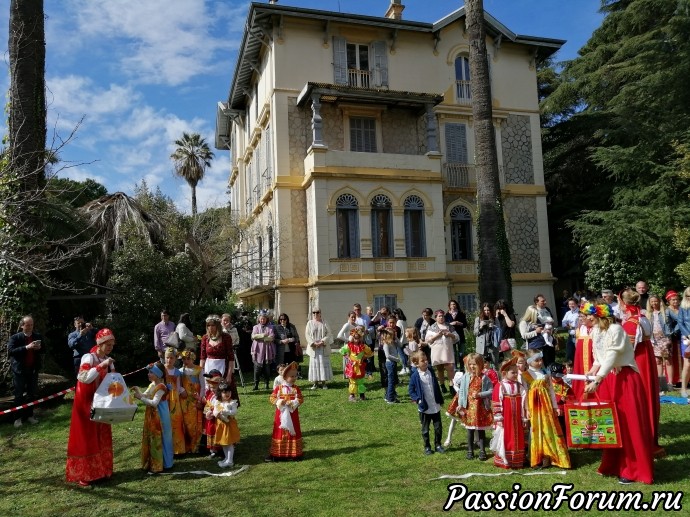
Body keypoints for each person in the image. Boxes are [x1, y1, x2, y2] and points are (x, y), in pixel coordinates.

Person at [583, 302, 654, 484]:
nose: (585, 318)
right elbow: (599, 357)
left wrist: (598, 379)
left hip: (625, 378)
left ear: (598, 316)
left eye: (588, 315)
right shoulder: (595, 331)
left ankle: (633, 469)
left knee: (629, 423)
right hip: (609, 378)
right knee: (613, 423)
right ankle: (614, 464)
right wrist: (592, 372)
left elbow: (613, 354)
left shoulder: (616, 329)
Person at [65, 328, 116, 487]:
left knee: (102, 436)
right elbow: (84, 377)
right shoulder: (89, 357)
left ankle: (101, 470)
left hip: (102, 403)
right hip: (86, 403)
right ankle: (85, 474)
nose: (109, 347)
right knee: (87, 437)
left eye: (112, 344)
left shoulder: (107, 360)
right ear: (99, 343)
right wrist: (102, 366)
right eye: (107, 344)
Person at [618, 289, 664, 458]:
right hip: (647, 359)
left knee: (641, 399)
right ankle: (650, 439)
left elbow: (627, 349)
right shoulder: (643, 317)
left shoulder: (631, 322)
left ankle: (643, 442)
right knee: (649, 398)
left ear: (624, 303)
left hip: (637, 362)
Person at [524, 349, 571, 469]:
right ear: (529, 362)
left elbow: (551, 391)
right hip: (534, 408)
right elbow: (524, 393)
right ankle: (536, 456)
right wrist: (526, 409)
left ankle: (549, 456)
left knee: (548, 430)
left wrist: (555, 407)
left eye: (541, 359)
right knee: (535, 430)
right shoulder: (526, 375)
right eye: (537, 360)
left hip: (546, 407)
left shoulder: (546, 373)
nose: (540, 362)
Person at [132, 362, 173, 473]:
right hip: (152, 414)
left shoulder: (161, 387)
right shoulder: (152, 385)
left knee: (162, 436)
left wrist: (140, 397)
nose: (148, 374)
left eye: (151, 372)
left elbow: (154, 403)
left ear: (158, 375)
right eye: (149, 372)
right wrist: (138, 391)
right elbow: (146, 395)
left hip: (160, 415)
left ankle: (165, 463)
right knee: (153, 436)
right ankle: (153, 461)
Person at [491, 358, 528, 469]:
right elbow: (496, 402)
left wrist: (524, 417)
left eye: (517, 372)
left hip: (516, 418)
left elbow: (523, 401)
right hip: (506, 419)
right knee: (506, 437)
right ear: (504, 373)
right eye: (513, 372)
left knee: (517, 437)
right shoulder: (500, 386)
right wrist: (499, 418)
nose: (516, 374)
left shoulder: (519, 386)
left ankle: (517, 460)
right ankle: (505, 459)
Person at [455, 353, 493, 460]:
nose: (472, 367)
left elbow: (491, 391)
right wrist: (460, 405)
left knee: (481, 430)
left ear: (481, 365)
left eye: (475, 364)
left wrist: (480, 394)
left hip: (480, 408)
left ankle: (482, 451)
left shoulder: (484, 378)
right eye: (470, 364)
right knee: (470, 430)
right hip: (469, 408)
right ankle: (470, 450)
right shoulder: (465, 377)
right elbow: (462, 391)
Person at [8, 315, 43, 428]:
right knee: (18, 395)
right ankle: (17, 419)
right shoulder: (15, 337)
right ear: (22, 325)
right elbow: (11, 351)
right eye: (27, 325)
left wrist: (39, 348)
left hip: (33, 369)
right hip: (19, 370)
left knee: (32, 394)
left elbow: (45, 349)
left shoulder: (37, 336)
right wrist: (26, 347)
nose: (30, 327)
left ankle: (30, 416)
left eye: (31, 325)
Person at [408, 350, 445, 455]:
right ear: (416, 364)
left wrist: (440, 399)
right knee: (425, 429)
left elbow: (436, 387)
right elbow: (411, 390)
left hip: (435, 406)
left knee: (438, 427)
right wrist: (418, 399)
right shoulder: (415, 376)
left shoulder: (431, 372)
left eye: (426, 360)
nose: (425, 362)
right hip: (424, 407)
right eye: (422, 361)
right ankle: (427, 447)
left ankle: (438, 445)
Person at [267, 361, 304, 461]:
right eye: (291, 376)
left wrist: (292, 403)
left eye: (295, 376)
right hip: (281, 415)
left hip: (292, 414)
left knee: (293, 430)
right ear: (285, 377)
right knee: (281, 431)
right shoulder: (279, 388)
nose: (294, 378)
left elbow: (300, 399)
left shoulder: (296, 389)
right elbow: (272, 398)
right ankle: (278, 453)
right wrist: (279, 401)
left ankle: (294, 453)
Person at [199, 315, 239, 403]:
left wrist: (229, 375)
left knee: (223, 395)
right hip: (208, 369)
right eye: (208, 325)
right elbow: (202, 357)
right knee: (209, 393)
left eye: (213, 325)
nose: (210, 327)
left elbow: (231, 358)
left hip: (223, 370)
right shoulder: (205, 338)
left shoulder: (226, 337)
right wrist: (199, 372)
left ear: (218, 325)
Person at [425, 310, 458, 394]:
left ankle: (451, 386)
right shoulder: (432, 327)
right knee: (440, 369)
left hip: (447, 350)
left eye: (442, 316)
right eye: (439, 316)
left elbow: (457, 337)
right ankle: (442, 385)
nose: (441, 317)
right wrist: (437, 336)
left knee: (450, 368)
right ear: (435, 318)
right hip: (437, 351)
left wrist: (449, 334)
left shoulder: (449, 326)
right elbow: (428, 340)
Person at [180, 350, 204, 454]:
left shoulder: (199, 370)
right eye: (184, 359)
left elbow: (203, 385)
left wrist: (200, 399)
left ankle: (196, 445)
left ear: (193, 359)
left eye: (188, 359)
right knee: (186, 422)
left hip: (196, 400)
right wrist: (182, 390)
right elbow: (179, 384)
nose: (186, 361)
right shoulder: (180, 371)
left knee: (196, 422)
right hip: (185, 401)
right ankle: (187, 446)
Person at [163, 347, 186, 455]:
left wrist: (181, 391)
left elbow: (178, 386)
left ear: (175, 359)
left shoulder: (177, 372)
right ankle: (166, 447)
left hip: (174, 398)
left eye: (171, 358)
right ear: (164, 358)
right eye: (167, 358)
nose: (169, 360)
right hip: (163, 397)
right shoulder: (162, 369)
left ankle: (177, 448)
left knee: (175, 421)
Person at [340, 326, 373, 402]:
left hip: (360, 366)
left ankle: (362, 394)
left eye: (358, 338)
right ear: (352, 338)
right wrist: (347, 357)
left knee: (360, 380)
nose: (356, 340)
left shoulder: (363, 346)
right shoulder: (349, 346)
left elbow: (370, 353)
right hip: (352, 366)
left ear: (360, 338)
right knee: (352, 380)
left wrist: (364, 357)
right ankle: (352, 395)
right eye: (355, 338)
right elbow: (342, 350)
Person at [212, 382, 240, 468]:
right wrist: (215, 413)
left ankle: (230, 461)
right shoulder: (218, 402)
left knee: (229, 443)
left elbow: (234, 412)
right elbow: (214, 410)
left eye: (228, 392)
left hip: (229, 425)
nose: (227, 394)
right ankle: (226, 458)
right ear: (220, 393)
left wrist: (225, 411)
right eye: (224, 392)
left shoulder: (232, 402)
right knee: (223, 443)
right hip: (221, 424)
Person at [647, 294, 673, 385]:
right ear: (649, 303)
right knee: (658, 361)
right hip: (654, 340)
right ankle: (661, 383)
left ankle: (670, 383)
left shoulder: (666, 312)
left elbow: (678, 321)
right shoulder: (648, 314)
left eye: (656, 301)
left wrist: (672, 332)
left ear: (659, 301)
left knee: (667, 361)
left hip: (665, 339)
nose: (654, 303)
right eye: (652, 301)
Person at [305, 307, 334, 389]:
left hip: (322, 347)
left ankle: (324, 383)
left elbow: (329, 333)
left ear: (320, 313)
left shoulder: (324, 322)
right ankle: (315, 383)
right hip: (314, 348)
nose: (315, 314)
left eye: (317, 312)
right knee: (314, 365)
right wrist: (313, 343)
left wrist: (322, 341)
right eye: (313, 313)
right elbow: (307, 334)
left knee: (322, 364)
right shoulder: (309, 323)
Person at [251, 310, 276, 390]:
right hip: (258, 350)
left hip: (267, 350)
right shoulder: (255, 327)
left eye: (264, 319)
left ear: (266, 319)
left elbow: (271, 338)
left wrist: (260, 337)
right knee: (257, 369)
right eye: (261, 319)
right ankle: (256, 384)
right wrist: (263, 335)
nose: (262, 320)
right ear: (259, 319)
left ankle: (267, 383)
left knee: (267, 369)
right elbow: (253, 336)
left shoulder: (270, 327)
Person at [380, 316, 402, 404]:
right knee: (391, 381)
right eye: (392, 335)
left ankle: (388, 396)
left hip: (393, 363)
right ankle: (390, 398)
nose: (393, 337)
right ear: (388, 336)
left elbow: (400, 345)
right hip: (390, 363)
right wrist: (396, 359)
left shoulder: (393, 342)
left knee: (392, 380)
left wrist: (396, 338)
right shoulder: (386, 344)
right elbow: (387, 356)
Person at [202, 370, 223, 458]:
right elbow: (207, 403)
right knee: (210, 432)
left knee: (217, 432)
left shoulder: (220, 395)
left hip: (216, 418)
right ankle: (212, 449)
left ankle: (220, 449)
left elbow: (221, 406)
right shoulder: (210, 393)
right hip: (209, 418)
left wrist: (212, 412)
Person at [664, 290, 682, 388]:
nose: (675, 301)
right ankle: (675, 379)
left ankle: (684, 379)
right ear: (668, 301)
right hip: (672, 336)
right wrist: (673, 332)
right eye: (673, 300)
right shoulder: (667, 310)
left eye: (676, 299)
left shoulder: (682, 309)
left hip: (683, 336)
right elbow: (667, 323)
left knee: (683, 358)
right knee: (673, 358)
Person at [445, 300, 468, 371]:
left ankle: (462, 368)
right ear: (449, 306)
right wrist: (452, 323)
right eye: (452, 304)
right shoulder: (447, 315)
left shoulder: (461, 314)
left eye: (454, 304)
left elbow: (465, 324)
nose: (453, 306)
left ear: (456, 305)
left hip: (460, 335)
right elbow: (445, 325)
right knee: (453, 353)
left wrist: (459, 323)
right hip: (451, 336)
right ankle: (455, 368)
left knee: (461, 353)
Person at [474, 303, 496, 367]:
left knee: (494, 365)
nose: (486, 312)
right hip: (481, 347)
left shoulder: (495, 319)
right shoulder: (478, 319)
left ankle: (494, 376)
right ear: (482, 311)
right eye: (485, 310)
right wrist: (480, 327)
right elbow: (475, 333)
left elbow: (499, 332)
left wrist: (493, 327)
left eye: (488, 310)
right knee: (481, 365)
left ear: (491, 310)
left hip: (492, 345)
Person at [561, 298, 580, 363]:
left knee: (578, 353)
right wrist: (569, 326)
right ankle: (570, 369)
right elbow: (563, 323)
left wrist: (570, 325)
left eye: (573, 304)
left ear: (577, 304)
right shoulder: (568, 313)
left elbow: (577, 325)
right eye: (569, 304)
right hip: (570, 336)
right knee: (569, 354)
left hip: (578, 336)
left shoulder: (579, 313)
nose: (571, 305)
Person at [394, 308, 410, 375]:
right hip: (405, 340)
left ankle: (404, 368)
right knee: (405, 354)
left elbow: (398, 331)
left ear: (397, 315)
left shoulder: (398, 322)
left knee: (401, 355)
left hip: (400, 340)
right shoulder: (404, 321)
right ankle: (407, 368)